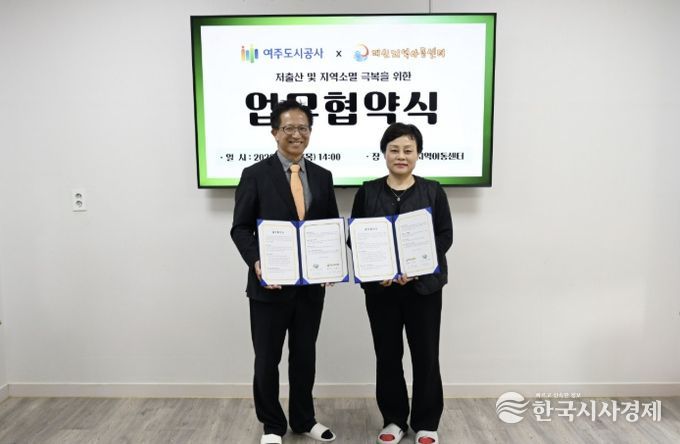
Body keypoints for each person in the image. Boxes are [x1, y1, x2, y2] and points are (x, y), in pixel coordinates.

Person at [231, 100, 338, 444]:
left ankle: (304, 419)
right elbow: (240, 228)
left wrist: (332, 260)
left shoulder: (322, 176)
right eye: (289, 128)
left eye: (303, 128)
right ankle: (272, 425)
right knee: (267, 359)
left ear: (310, 133)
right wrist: (256, 262)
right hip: (269, 286)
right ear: (275, 132)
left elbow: (329, 226)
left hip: (310, 288)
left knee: (305, 356)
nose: (297, 134)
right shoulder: (254, 174)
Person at [350, 123, 453, 444]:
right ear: (384, 153)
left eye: (408, 150)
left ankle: (426, 422)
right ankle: (393, 420)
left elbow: (444, 236)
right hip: (382, 291)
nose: (401, 156)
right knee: (387, 355)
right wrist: (377, 267)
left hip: (424, 289)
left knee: (426, 355)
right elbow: (355, 237)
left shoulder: (433, 191)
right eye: (394, 149)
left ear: (418, 154)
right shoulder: (367, 192)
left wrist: (416, 267)